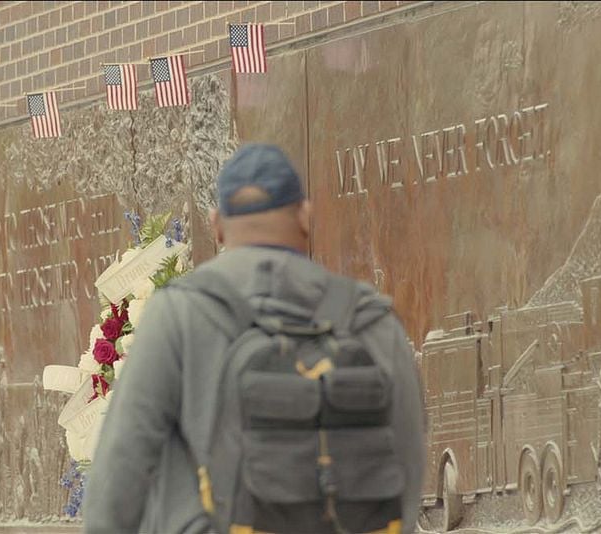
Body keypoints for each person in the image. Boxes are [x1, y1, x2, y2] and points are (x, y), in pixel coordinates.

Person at [84, 144, 426, 534]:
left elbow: (122, 463)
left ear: (216, 225)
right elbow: (408, 457)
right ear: (305, 216)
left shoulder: (180, 313)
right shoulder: (370, 317)